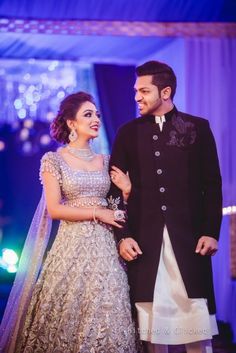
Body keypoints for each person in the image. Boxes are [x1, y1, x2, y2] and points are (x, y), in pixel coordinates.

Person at [0, 92, 137, 353]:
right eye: (88, 114)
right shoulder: (54, 160)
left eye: (97, 114)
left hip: (107, 249)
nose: (96, 118)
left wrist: (128, 191)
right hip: (70, 248)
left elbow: (119, 207)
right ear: (71, 123)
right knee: (66, 317)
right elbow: (54, 209)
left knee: (109, 314)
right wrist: (98, 213)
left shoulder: (107, 161)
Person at [108, 61, 222, 353]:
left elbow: (212, 185)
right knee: (152, 333)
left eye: (144, 90)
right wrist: (124, 237)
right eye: (136, 90)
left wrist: (211, 232)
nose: (137, 97)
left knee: (196, 328)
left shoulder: (197, 127)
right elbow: (114, 193)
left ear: (166, 91)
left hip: (190, 244)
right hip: (145, 245)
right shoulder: (127, 133)